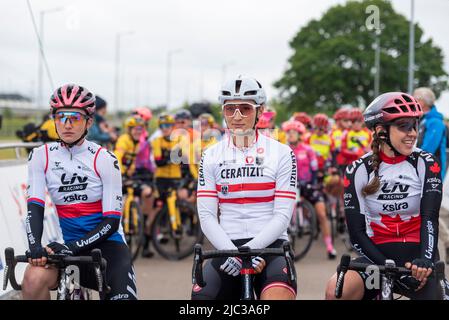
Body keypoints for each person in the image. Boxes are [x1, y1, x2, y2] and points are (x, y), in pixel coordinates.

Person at [325, 92, 449, 300]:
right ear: (381, 131)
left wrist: (425, 261)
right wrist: (386, 266)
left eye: (414, 125)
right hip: (375, 258)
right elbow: (356, 232)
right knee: (336, 290)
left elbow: (430, 218)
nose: (412, 133)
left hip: (418, 257)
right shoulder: (358, 169)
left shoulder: (426, 163)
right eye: (404, 126)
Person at [22, 84, 137, 300]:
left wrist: (71, 247)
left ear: (89, 122)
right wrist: (35, 247)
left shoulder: (104, 158)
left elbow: (111, 222)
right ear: (53, 119)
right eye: (61, 117)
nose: (67, 124)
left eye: (74, 117)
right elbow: (34, 207)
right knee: (32, 279)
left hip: (108, 249)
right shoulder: (40, 156)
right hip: (68, 249)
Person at [192, 76, 297, 300]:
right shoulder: (210, 155)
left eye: (245, 109)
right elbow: (207, 215)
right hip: (226, 246)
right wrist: (237, 255)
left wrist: (252, 251)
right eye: (230, 109)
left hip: (271, 246)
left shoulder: (282, 153)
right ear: (223, 112)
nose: (237, 116)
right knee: (202, 301)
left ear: (260, 112)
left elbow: (282, 216)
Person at [282, 119, 337, 259]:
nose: (290, 134)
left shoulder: (308, 150)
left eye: (293, 132)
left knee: (322, 213)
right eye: (288, 132)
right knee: (285, 216)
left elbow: (314, 169)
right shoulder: (283, 149)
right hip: (291, 186)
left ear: (300, 134)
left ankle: (330, 247)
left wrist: (312, 183)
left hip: (308, 185)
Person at [414, 87, 446, 179]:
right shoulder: (422, 120)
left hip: (432, 170)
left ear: (422, 102)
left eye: (415, 99)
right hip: (421, 167)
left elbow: (428, 150)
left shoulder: (435, 122)